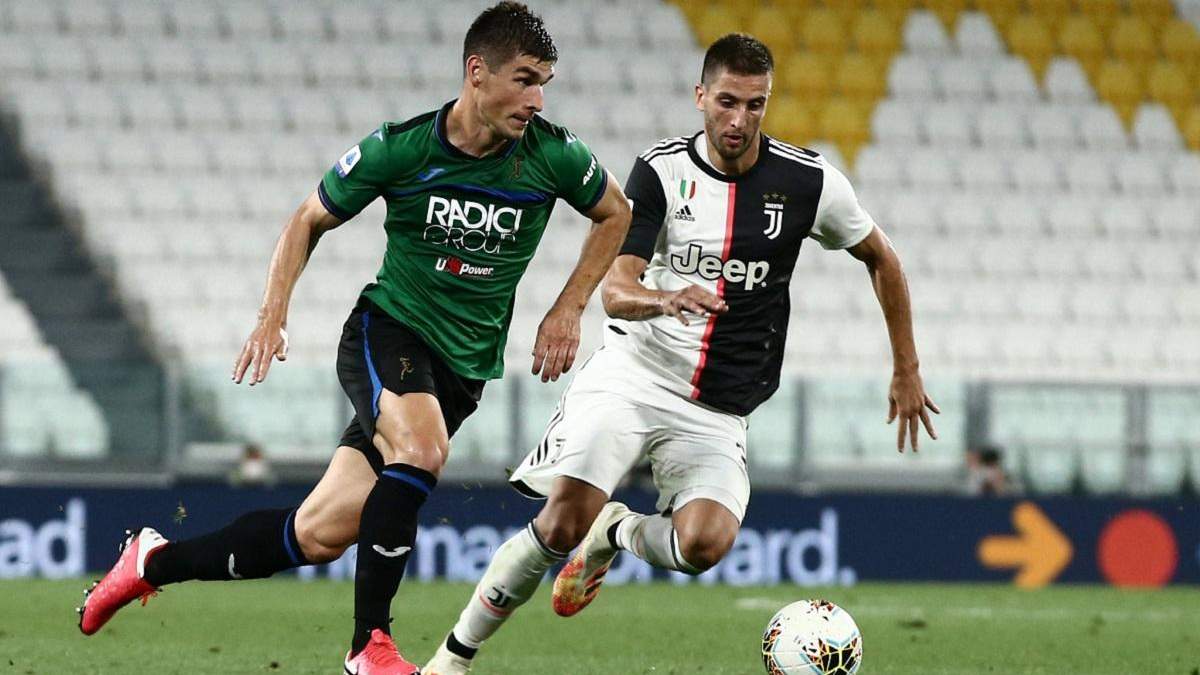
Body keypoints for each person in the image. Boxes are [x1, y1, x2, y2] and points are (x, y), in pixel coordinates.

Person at [76, 3, 631, 673]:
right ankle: (370, 645)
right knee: (422, 451)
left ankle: (150, 562)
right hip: (388, 331)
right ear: (477, 72)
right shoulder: (403, 148)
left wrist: (569, 307)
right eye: (525, 80)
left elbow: (616, 212)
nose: (537, 100)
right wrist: (272, 313)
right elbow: (307, 218)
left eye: (544, 83)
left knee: (316, 534)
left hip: (462, 371)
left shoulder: (553, 155)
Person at [423, 33, 939, 674]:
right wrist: (665, 300)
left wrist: (906, 367)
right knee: (560, 525)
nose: (739, 119)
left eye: (755, 104)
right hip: (635, 374)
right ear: (701, 97)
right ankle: (452, 659)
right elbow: (616, 292)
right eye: (727, 102)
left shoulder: (808, 181)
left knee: (703, 545)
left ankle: (616, 531)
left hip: (718, 405)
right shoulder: (661, 172)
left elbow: (882, 257)